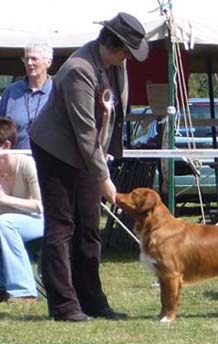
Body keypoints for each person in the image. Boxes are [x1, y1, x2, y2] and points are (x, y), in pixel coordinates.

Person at [29, 12, 149, 322]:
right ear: (112, 42)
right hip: (56, 151)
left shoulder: (115, 64)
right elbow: (84, 131)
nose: (129, 58)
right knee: (61, 226)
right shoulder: (77, 70)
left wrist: (105, 156)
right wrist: (104, 178)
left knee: (89, 227)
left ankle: (93, 301)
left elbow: (113, 113)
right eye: (127, 50)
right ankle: (64, 306)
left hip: (89, 152)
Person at [0, 117, 43, 302]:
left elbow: (40, 205)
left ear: (6, 146)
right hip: (6, 225)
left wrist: (6, 199)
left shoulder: (27, 164)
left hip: (37, 220)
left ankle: (24, 289)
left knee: (4, 223)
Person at [0, 43, 53, 149]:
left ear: (48, 62)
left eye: (34, 59)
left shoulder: (58, 92)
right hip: (15, 160)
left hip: (48, 162)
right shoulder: (11, 91)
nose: (29, 63)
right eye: (26, 59)